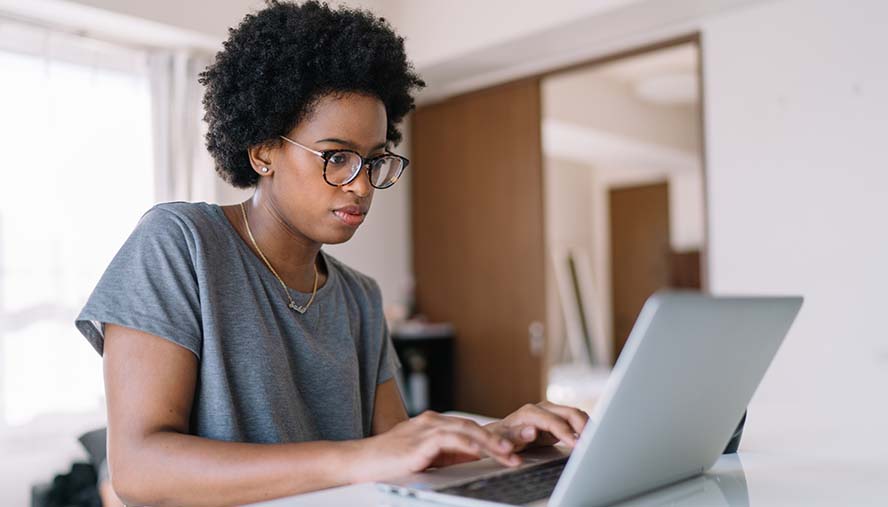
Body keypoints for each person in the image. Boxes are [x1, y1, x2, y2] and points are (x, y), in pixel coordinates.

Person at [74, 1, 589, 506]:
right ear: (262, 151)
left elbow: (397, 453)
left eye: (374, 161)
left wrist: (501, 436)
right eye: (337, 157)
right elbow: (138, 469)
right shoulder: (179, 243)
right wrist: (352, 459)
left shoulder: (360, 297)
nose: (362, 186)